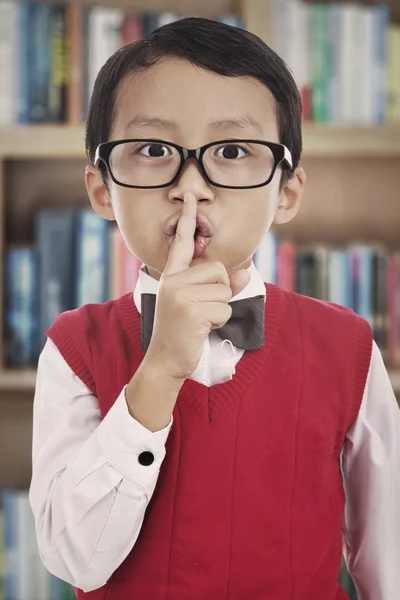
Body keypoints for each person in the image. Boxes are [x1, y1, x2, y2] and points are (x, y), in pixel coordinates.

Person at [29, 17, 399, 600]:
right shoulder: (74, 347)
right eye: (153, 149)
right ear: (103, 190)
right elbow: (77, 559)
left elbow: (388, 558)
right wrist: (158, 371)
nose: (192, 186)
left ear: (287, 192)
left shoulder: (348, 347)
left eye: (231, 151)